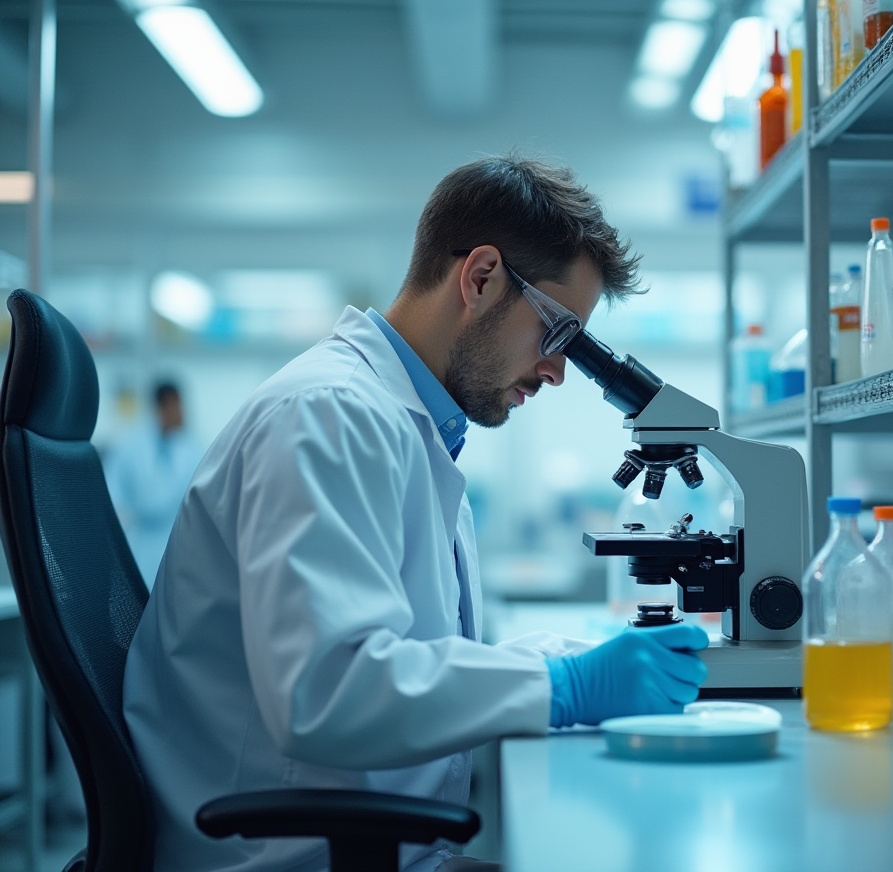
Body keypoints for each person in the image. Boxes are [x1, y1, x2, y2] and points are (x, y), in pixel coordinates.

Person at [123, 154, 710, 872]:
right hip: (283, 856)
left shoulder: (407, 426)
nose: (559, 370)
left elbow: (401, 655)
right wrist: (566, 689)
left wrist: (558, 661)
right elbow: (328, 691)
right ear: (481, 276)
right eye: (558, 335)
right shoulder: (327, 416)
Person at [104, 380, 205, 587]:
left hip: (180, 541)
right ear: (162, 407)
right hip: (141, 543)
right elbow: (112, 495)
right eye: (175, 406)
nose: (181, 412)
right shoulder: (129, 447)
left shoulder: (195, 449)